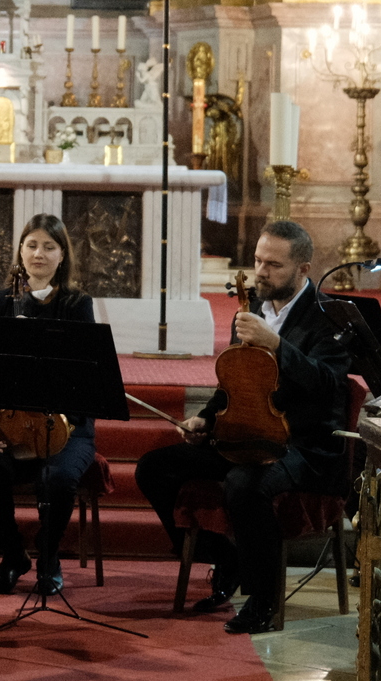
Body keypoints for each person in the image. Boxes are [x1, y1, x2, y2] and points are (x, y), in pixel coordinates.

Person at [134, 220, 352, 634]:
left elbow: (329, 386)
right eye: (257, 260)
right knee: (154, 468)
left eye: (274, 264)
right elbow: (234, 381)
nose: (261, 271)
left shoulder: (329, 318)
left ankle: (262, 597)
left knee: (244, 483)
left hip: (303, 444)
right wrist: (206, 418)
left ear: (303, 269)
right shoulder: (252, 308)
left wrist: (277, 345)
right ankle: (225, 556)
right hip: (246, 434)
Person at [0, 214, 97, 596]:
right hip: (9, 422)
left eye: (48, 246)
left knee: (57, 479)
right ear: (20, 251)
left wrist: (63, 422)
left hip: (68, 425)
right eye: (31, 245)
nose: (38, 254)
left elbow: (87, 377)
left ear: (62, 255)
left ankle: (48, 557)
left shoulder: (77, 304)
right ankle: (13, 556)